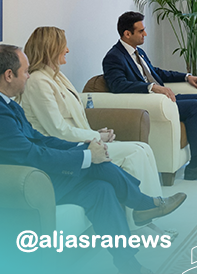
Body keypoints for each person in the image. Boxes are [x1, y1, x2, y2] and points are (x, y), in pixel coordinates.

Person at [0, 44, 186, 274]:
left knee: (101, 190)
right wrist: (87, 156)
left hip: (42, 175)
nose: (28, 76)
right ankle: (143, 204)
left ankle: (128, 264)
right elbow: (31, 155)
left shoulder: (10, 105)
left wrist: (83, 147)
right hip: (30, 184)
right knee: (99, 167)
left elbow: (41, 140)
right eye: (25, 71)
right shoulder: (1, 113)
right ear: (9, 75)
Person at [19, 26, 163, 230]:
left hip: (80, 139)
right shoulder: (37, 82)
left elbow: (74, 117)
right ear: (51, 48)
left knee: (143, 148)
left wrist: (96, 134)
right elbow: (58, 130)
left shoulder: (56, 76)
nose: (67, 50)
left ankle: (148, 213)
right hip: (65, 146)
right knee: (134, 153)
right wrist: (95, 137)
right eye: (63, 45)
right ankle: (141, 220)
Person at [102, 11, 197, 182]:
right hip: (151, 104)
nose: (145, 34)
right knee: (196, 106)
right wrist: (152, 87)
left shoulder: (139, 52)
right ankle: (196, 165)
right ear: (127, 34)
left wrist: (186, 77)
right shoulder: (113, 57)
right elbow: (118, 85)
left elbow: (156, 72)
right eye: (141, 31)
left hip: (165, 99)